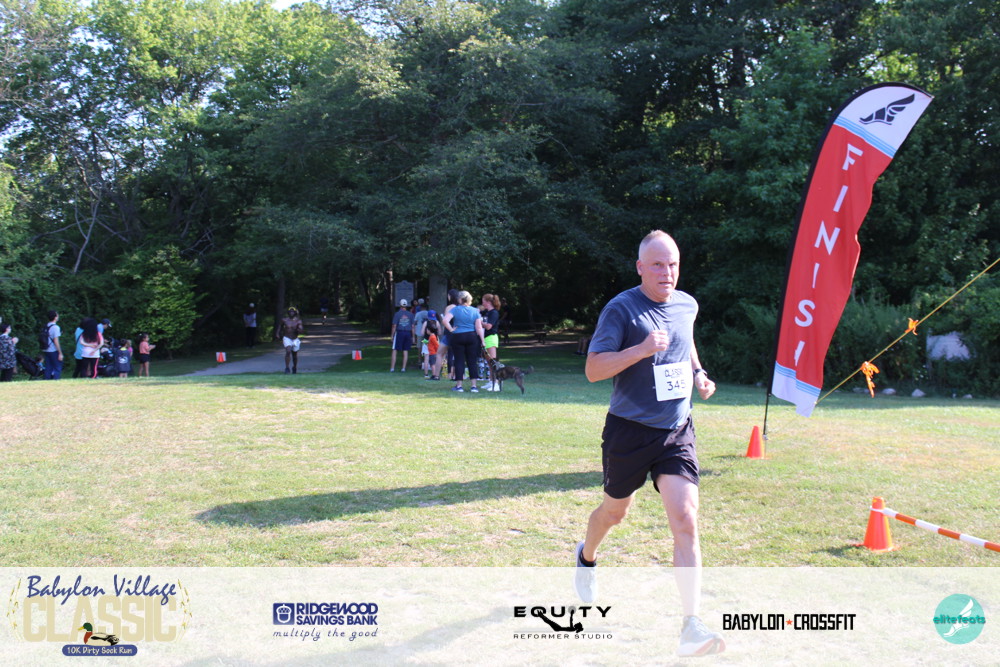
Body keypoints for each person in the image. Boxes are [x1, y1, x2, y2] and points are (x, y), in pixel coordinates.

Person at [574, 230, 723, 657]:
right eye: (657, 264)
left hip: (676, 430)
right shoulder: (621, 309)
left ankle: (691, 626)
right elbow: (593, 370)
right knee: (614, 512)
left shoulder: (687, 304)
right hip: (629, 430)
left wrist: (699, 374)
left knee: (686, 519)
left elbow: (686, 343)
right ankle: (586, 556)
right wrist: (640, 350)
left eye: (673, 264)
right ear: (640, 267)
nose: (667, 272)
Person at [442, 290, 485, 393]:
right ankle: (474, 386)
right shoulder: (475, 310)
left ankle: (459, 386)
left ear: (460, 299)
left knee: (459, 360)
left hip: (458, 336)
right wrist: (483, 341)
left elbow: (445, 320)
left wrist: (451, 329)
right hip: (471, 336)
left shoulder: (455, 309)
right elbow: (479, 327)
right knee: (472, 361)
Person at [433, 290, 460, 381]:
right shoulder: (461, 307)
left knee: (439, 354)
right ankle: (456, 376)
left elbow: (445, 320)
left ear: (450, 296)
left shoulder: (449, 307)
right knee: (457, 355)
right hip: (458, 333)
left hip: (449, 333)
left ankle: (436, 375)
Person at [480, 293, 501, 390]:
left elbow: (488, 326)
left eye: (483, 301)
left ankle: (496, 383)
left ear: (488, 302)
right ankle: (491, 381)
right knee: (489, 362)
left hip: (491, 338)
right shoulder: (487, 312)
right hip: (486, 338)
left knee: (493, 362)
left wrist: (479, 323)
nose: (482, 303)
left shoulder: (494, 313)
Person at [389, 299, 415, 372]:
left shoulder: (397, 314)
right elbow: (413, 326)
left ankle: (392, 368)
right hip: (408, 333)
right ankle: (403, 368)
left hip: (399, 332)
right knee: (405, 350)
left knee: (395, 350)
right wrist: (413, 336)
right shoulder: (410, 314)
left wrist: (392, 335)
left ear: (400, 305)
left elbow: (394, 325)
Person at [278, 307, 304, 374]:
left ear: (295, 313)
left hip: (295, 339)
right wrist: (277, 333)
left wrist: (299, 330)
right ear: (288, 313)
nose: (291, 313)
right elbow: (280, 326)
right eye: (290, 311)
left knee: (294, 355)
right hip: (287, 338)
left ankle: (294, 367)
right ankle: (287, 368)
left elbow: (301, 330)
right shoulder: (284, 320)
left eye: (293, 311)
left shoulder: (298, 321)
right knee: (288, 351)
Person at [41, 310, 63, 379]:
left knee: (48, 367)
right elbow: (56, 341)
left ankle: (47, 380)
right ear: (55, 317)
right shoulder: (55, 327)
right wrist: (60, 353)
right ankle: (56, 379)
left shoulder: (46, 325)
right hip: (53, 350)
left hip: (46, 349)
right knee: (57, 367)